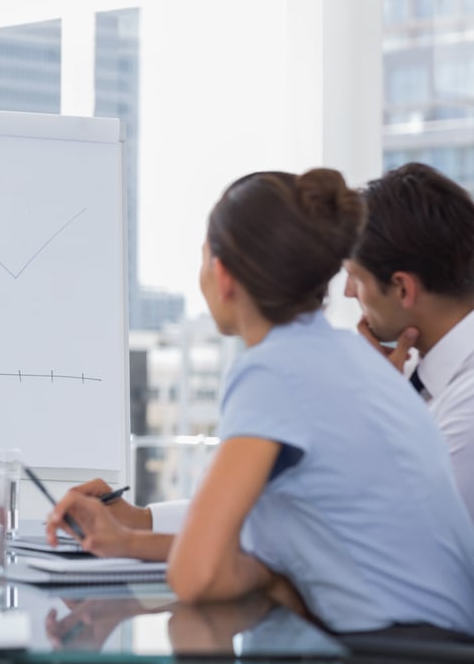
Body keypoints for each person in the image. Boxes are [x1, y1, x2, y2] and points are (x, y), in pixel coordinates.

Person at [46, 169, 474, 637]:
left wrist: (261, 574)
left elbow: (199, 573)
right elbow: (246, 551)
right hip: (426, 639)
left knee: (190, 629)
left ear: (223, 275)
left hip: (395, 648)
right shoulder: (348, 357)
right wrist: (130, 540)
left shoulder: (273, 368)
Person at [344, 162, 474, 522]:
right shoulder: (414, 376)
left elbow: (390, 537)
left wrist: (379, 410)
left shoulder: (468, 410)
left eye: (355, 277)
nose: (347, 291)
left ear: (403, 288)